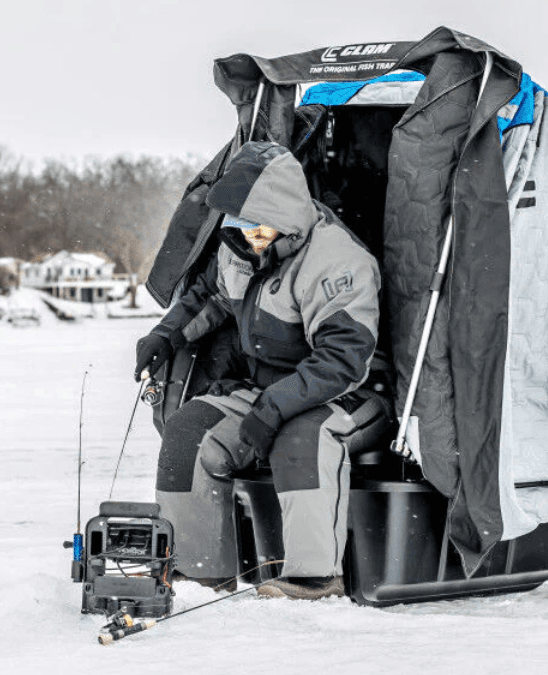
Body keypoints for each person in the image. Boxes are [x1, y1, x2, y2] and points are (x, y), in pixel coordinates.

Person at [134, 141, 389, 600]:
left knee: (302, 437)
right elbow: (211, 296)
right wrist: (165, 336)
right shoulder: (242, 242)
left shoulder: (338, 264)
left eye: (255, 235)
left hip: (349, 390)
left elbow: (343, 361)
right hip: (267, 385)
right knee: (188, 431)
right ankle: (199, 572)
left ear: (285, 229)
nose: (242, 245)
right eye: (235, 232)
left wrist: (273, 408)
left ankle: (315, 578)